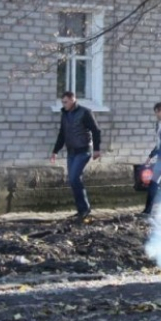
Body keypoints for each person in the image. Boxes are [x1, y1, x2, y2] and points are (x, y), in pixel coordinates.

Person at [50, 91, 102, 223]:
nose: (64, 104)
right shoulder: (65, 114)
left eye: (66, 102)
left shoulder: (85, 112)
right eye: (62, 102)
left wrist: (96, 149)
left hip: (83, 151)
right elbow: (62, 134)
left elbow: (96, 130)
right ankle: (81, 210)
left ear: (73, 100)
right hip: (71, 152)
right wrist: (55, 151)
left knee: (74, 178)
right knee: (73, 180)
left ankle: (85, 209)